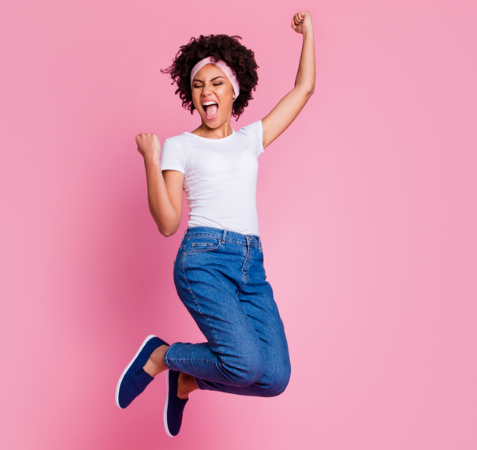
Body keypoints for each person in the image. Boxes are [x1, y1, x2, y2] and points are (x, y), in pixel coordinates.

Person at [116, 11, 316, 437]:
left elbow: (304, 89)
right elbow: (168, 223)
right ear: (192, 95)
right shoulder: (179, 147)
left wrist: (309, 33)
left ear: (234, 91)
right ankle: (162, 356)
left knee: (274, 376)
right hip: (202, 260)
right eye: (197, 85)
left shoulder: (251, 139)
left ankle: (186, 381)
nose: (206, 91)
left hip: (251, 266)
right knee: (244, 362)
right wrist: (151, 161)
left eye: (216, 82)